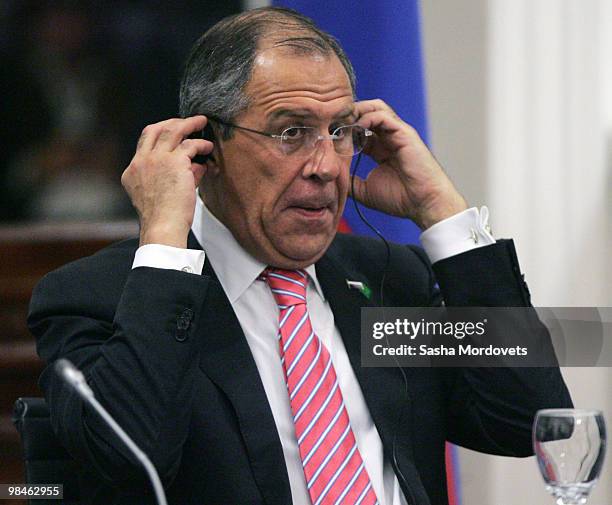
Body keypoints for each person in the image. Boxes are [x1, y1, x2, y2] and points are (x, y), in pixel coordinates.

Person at [28, 7, 572, 505]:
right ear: (206, 143)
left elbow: (528, 421)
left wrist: (444, 215)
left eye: (339, 132)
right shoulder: (101, 297)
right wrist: (166, 234)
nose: (327, 166)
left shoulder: (385, 282)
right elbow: (126, 465)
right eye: (291, 132)